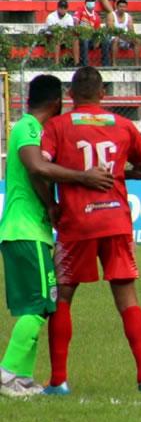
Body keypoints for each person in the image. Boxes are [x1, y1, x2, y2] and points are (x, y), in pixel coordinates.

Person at [42, 66, 141, 395]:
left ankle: (59, 381)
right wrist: (128, 171)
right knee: (127, 297)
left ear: (70, 96)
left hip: (76, 222)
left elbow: (43, 169)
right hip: (116, 220)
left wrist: (51, 205)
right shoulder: (122, 124)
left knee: (63, 298)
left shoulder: (58, 126)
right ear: (103, 94)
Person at [0, 75, 114, 397]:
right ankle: (6, 373)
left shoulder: (33, 129)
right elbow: (37, 167)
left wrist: (52, 203)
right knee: (42, 304)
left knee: (37, 306)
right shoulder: (27, 128)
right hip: (25, 230)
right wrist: (83, 177)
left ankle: (20, 377)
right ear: (56, 102)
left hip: (31, 231)